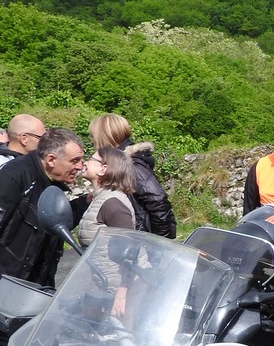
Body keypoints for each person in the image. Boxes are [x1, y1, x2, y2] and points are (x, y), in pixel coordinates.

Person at [0, 128, 88, 286]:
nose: (80, 167)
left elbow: (52, 223)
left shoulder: (52, 179)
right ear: (51, 160)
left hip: (36, 284)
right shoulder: (12, 177)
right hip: (8, 283)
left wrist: (86, 202)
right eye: (74, 161)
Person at [89, 114, 178, 239]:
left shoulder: (131, 165)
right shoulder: (120, 162)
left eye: (94, 136)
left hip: (142, 241)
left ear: (104, 136)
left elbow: (158, 201)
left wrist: (159, 242)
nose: (92, 141)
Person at [78, 146, 139, 315]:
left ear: (104, 169)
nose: (85, 162)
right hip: (104, 285)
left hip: (120, 291)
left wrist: (121, 295)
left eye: (90, 159)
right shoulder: (100, 198)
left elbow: (131, 252)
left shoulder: (113, 203)